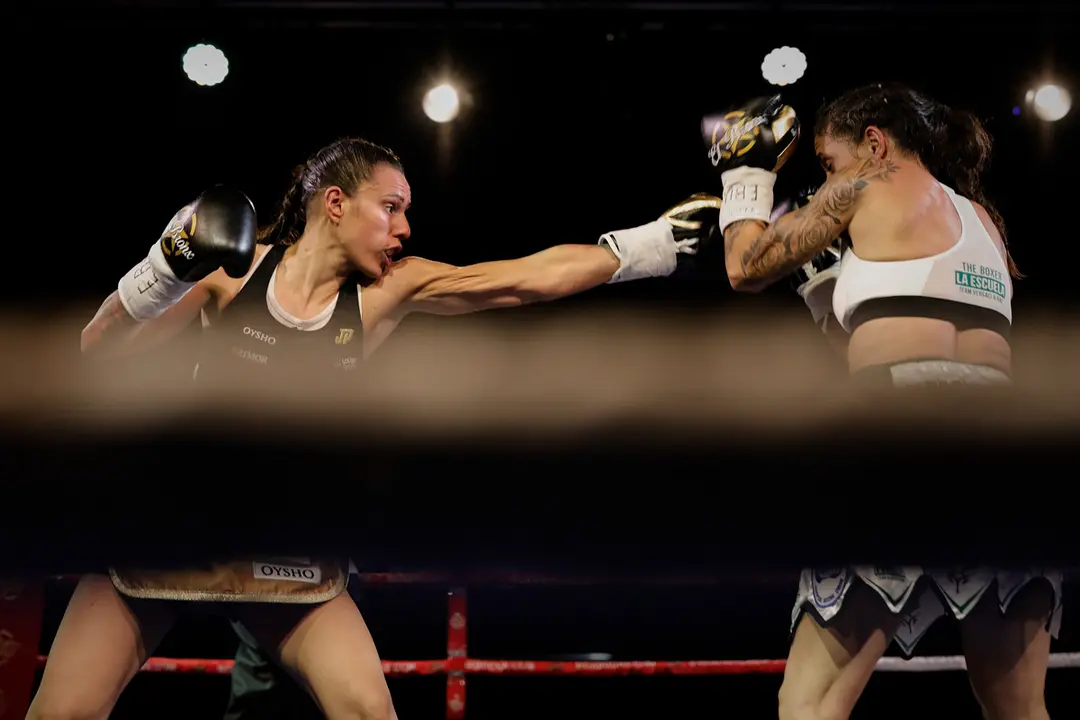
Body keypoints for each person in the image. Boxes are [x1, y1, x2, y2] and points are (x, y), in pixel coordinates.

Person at [32, 137, 720, 720]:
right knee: (60, 714)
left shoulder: (388, 295)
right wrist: (162, 267)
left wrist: (656, 244)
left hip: (285, 553)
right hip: (169, 533)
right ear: (335, 204)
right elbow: (99, 354)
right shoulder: (227, 275)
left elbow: (526, 280)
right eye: (391, 208)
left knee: (368, 712)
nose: (405, 229)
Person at [708, 87, 1062, 720]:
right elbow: (932, 329)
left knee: (809, 704)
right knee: (1019, 709)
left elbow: (744, 266)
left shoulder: (863, 186)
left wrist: (747, 174)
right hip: (1011, 453)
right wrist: (832, 304)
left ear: (873, 144)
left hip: (899, 437)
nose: (827, 181)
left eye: (827, 162)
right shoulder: (984, 221)